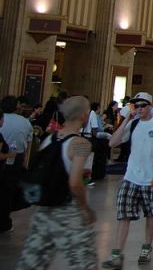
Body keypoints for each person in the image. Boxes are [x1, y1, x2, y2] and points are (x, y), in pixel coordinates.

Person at [15, 96, 97, 270]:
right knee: (84, 262)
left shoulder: (49, 139)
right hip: (68, 212)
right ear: (83, 116)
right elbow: (75, 182)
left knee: (33, 262)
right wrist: (85, 208)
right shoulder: (81, 144)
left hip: (43, 211)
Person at [101, 91, 153, 268]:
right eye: (136, 106)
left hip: (152, 177)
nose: (139, 109)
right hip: (131, 176)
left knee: (150, 213)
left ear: (150, 106)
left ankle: (146, 247)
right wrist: (126, 119)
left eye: (142, 105)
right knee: (124, 214)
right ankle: (117, 253)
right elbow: (113, 143)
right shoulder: (133, 125)